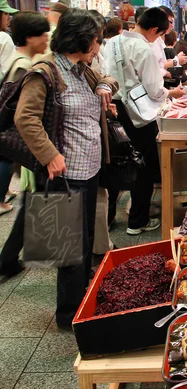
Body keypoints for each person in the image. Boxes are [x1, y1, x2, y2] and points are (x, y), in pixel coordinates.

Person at [11, 9, 118, 328]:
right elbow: (25, 118)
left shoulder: (82, 68)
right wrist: (49, 155)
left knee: (84, 238)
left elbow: (107, 80)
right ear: (81, 39)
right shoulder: (46, 71)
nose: (99, 46)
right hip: (65, 172)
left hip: (88, 168)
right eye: (96, 40)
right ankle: (69, 314)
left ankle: (82, 300)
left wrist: (104, 89)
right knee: (69, 247)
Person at [103, 7, 184, 235]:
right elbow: (154, 89)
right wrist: (170, 94)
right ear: (154, 29)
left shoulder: (112, 43)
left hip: (112, 108)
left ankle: (108, 220)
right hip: (136, 113)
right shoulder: (143, 48)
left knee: (118, 161)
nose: (157, 39)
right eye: (158, 34)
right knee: (143, 165)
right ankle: (137, 221)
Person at [0, 11, 50, 277]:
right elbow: (24, 117)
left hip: (25, 149)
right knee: (33, 200)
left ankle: (10, 257)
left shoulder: (20, 60)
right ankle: (8, 258)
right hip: (28, 148)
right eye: (42, 34)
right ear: (30, 37)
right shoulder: (24, 67)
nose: (46, 39)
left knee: (32, 201)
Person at [0, 0, 17, 216]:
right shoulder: (3, 38)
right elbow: (7, 76)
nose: (8, 18)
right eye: (5, 14)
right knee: (4, 153)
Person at [152, 6, 186, 79]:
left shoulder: (160, 40)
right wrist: (176, 60)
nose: (172, 26)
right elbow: (155, 68)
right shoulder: (153, 40)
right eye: (170, 22)